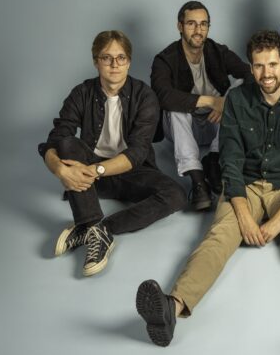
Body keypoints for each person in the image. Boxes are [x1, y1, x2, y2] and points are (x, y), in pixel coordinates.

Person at [136, 31, 280, 349]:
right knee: (217, 239)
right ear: (251, 67)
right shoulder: (237, 100)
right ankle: (170, 309)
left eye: (272, 64)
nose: (266, 73)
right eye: (258, 66)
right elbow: (230, 161)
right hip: (243, 186)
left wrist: (279, 220)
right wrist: (243, 216)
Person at [38, 30, 186, 276]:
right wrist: (60, 169)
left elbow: (138, 152)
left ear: (129, 61)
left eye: (121, 58)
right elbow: (54, 139)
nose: (114, 64)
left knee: (176, 195)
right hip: (92, 178)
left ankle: (98, 228)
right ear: (96, 61)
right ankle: (91, 223)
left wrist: (95, 170)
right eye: (107, 58)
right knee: (67, 144)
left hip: (130, 171)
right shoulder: (81, 93)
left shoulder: (145, 96)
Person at [151, 1, 253, 210]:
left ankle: (214, 160)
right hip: (183, 128)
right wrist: (213, 101)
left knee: (240, 86)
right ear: (180, 26)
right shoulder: (165, 59)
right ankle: (198, 181)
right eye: (191, 24)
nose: (198, 30)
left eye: (203, 24)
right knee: (174, 108)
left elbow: (250, 75)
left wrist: (228, 103)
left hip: (218, 125)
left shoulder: (218, 51)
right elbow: (162, 95)